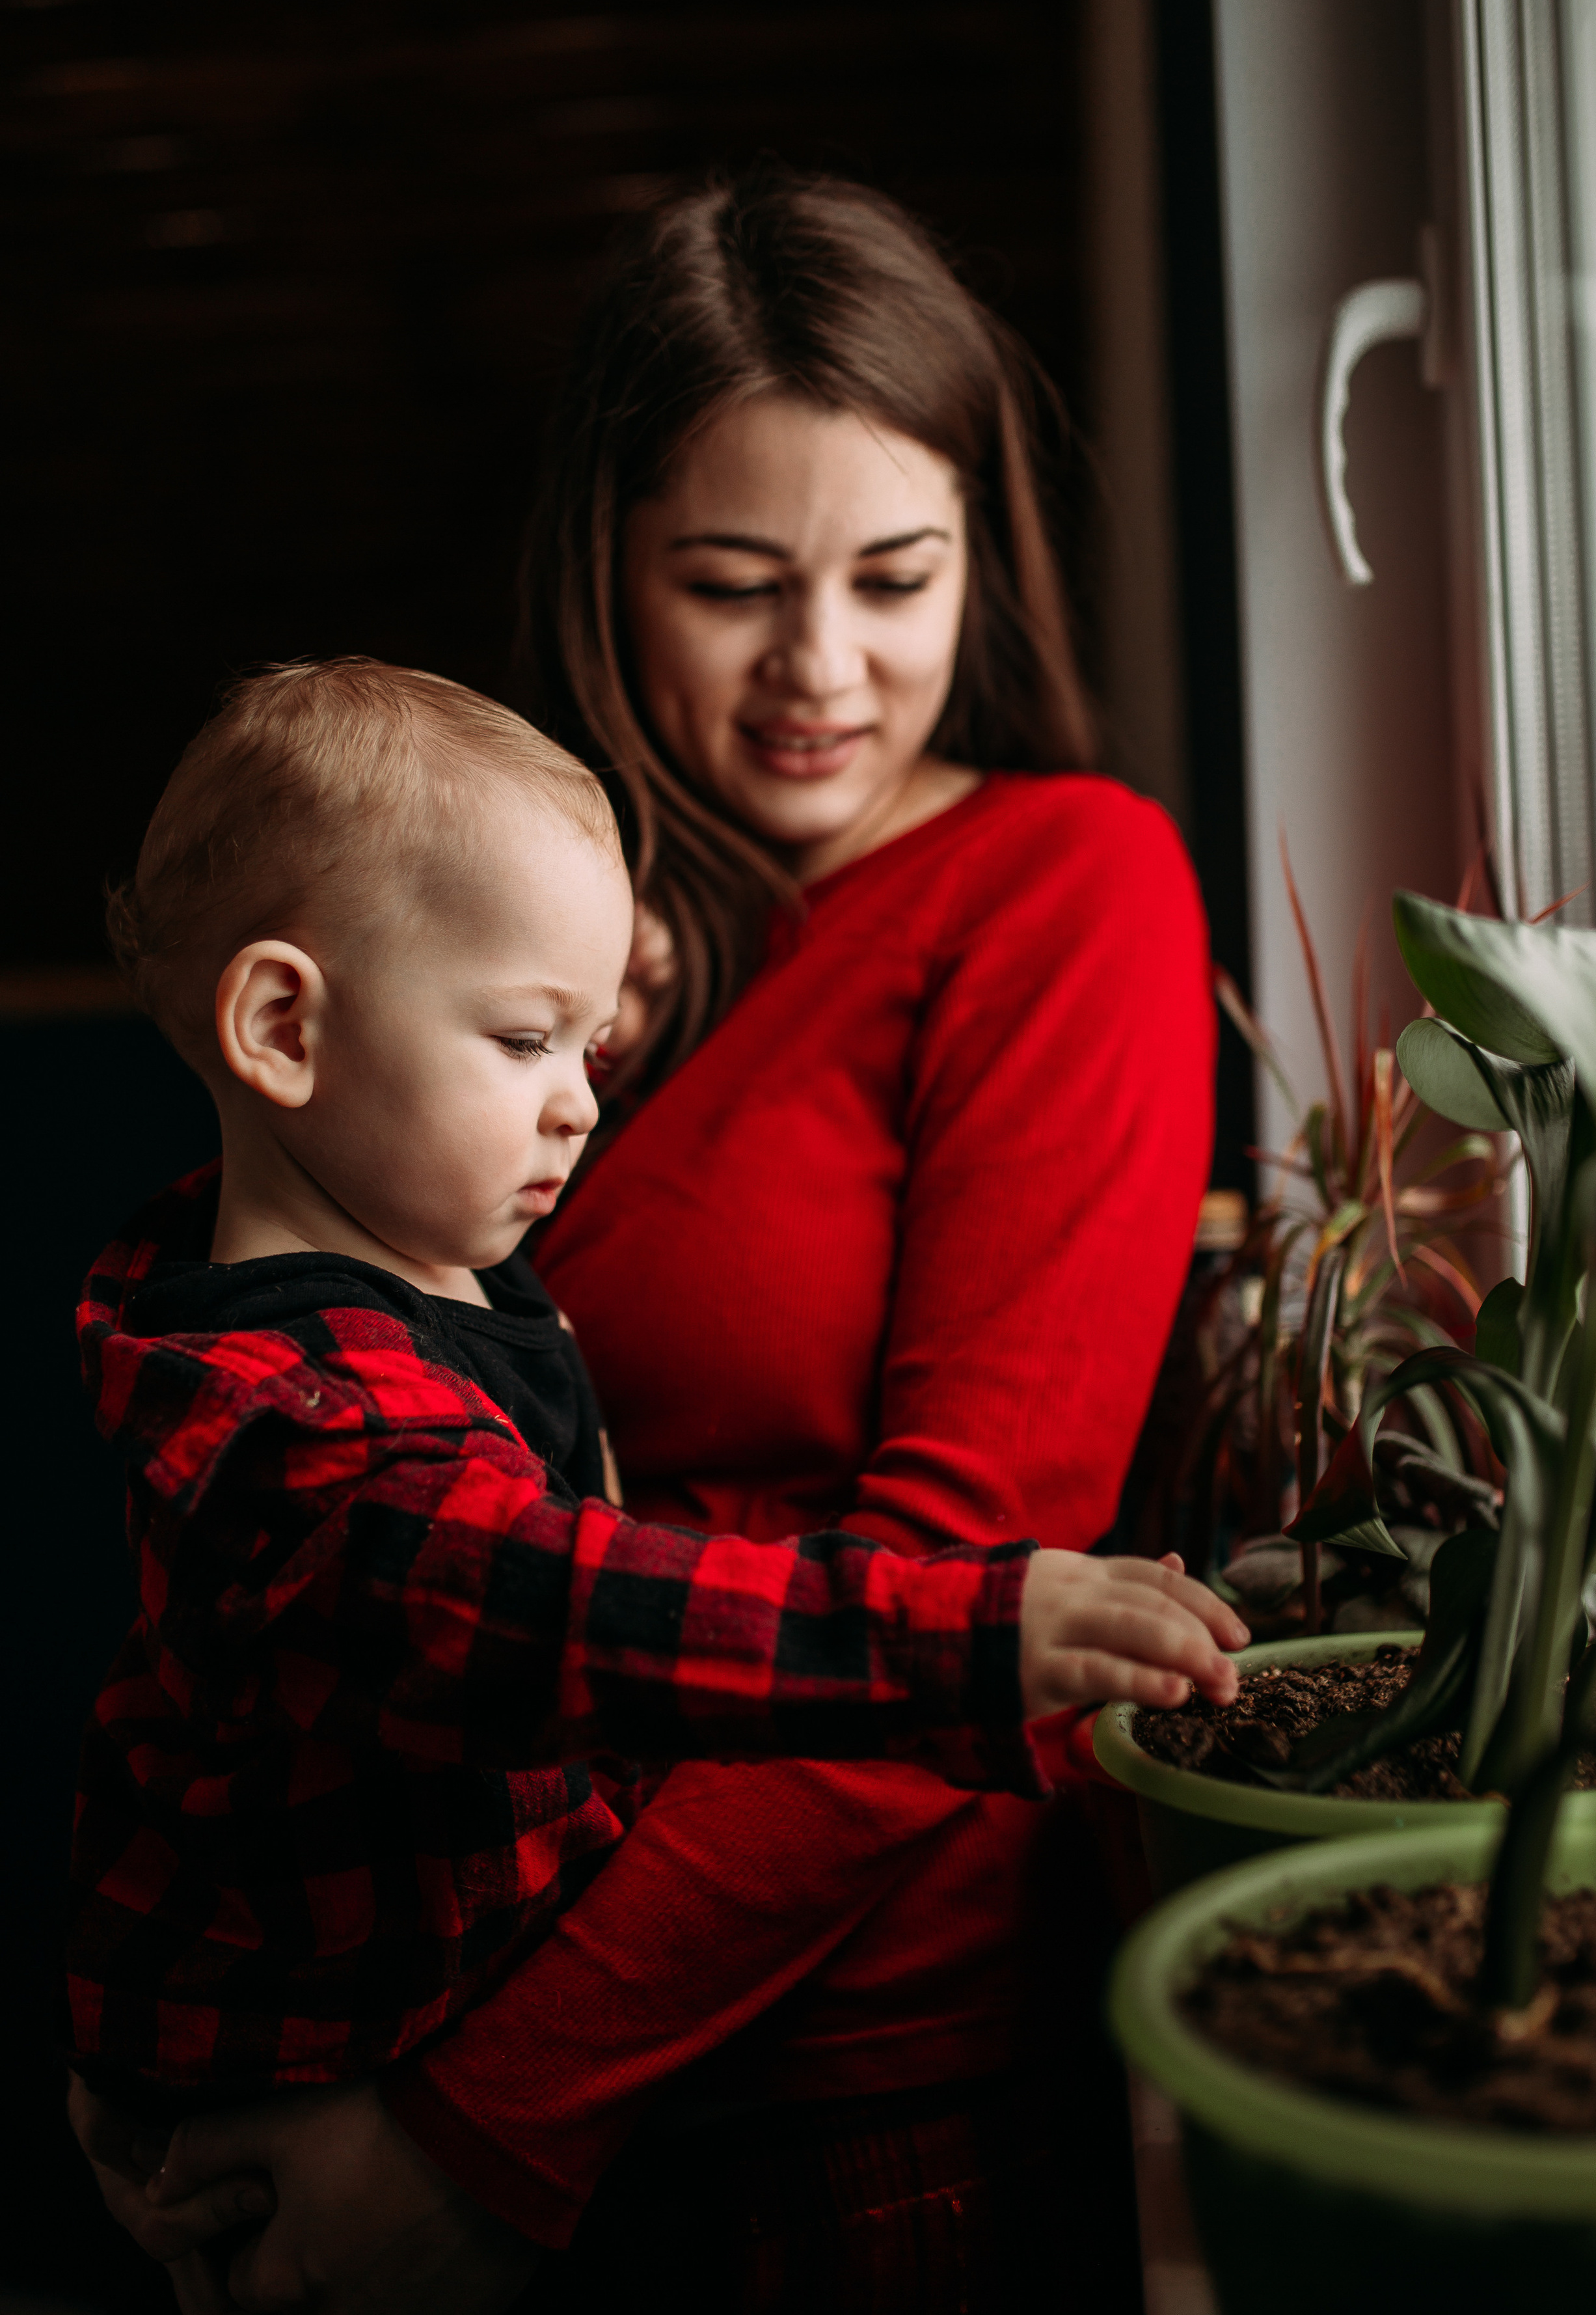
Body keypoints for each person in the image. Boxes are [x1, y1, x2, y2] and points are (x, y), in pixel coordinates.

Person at [72, 169, 1221, 2314]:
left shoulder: (1064, 890)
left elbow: (957, 1556)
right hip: (414, 2027)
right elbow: (282, 1510)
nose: (823, 668)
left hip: (830, 2090)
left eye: (899, 577)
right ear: (609, 565)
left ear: (990, 561)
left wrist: (471, 2129)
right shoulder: (515, 941)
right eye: (730, 584)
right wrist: (163, 2016)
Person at [70, 656, 1238, 2130]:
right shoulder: (298, 1426)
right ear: (286, 1033)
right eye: (522, 1041)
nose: (579, 1100)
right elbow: (567, 1609)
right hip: (316, 2097)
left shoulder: (434, 1277)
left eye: (593, 1047)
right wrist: (967, 1635)